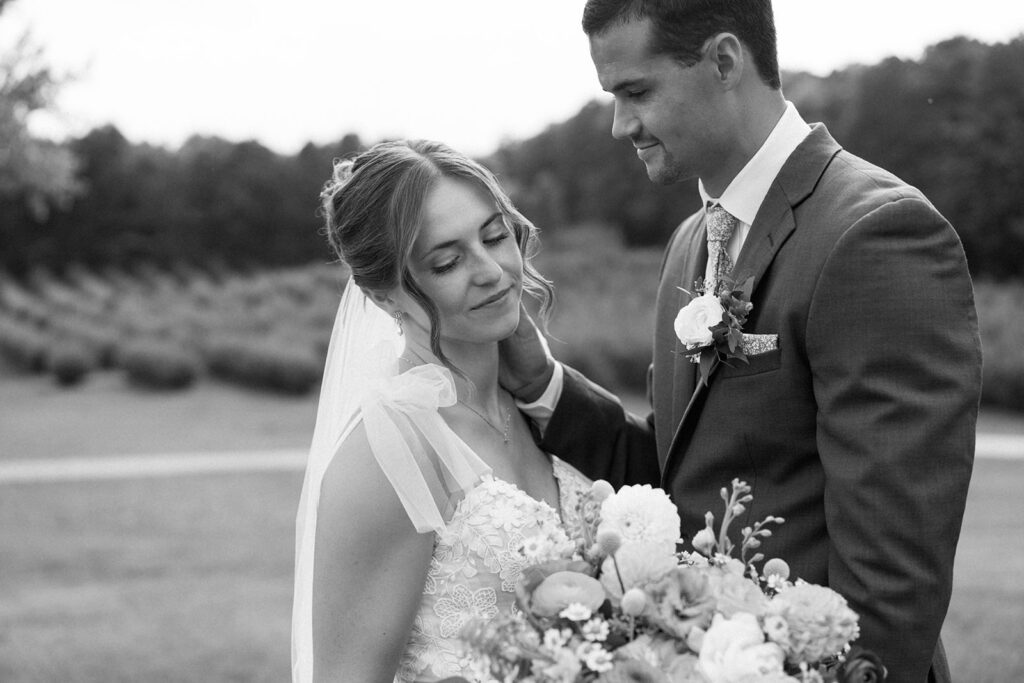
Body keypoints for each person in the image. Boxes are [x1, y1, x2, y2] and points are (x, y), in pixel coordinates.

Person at [501, 2, 982, 682]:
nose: (621, 125)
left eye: (637, 92)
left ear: (724, 61)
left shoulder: (875, 234)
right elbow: (681, 473)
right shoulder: (689, 244)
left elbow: (892, 584)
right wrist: (541, 384)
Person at [291, 139, 595, 683]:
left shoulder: (528, 405)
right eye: (447, 261)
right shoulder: (390, 451)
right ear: (383, 296)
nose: (492, 271)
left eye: (496, 236)